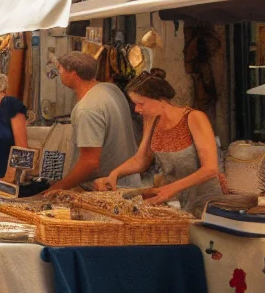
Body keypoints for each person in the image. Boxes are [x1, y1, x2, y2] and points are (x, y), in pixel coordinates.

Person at [94, 70, 223, 210]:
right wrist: (115, 174)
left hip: (210, 205)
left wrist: (168, 190)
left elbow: (210, 169)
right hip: (183, 203)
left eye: (141, 103)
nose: (137, 109)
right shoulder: (151, 121)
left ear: (160, 100)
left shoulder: (194, 118)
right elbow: (141, 160)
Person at [46, 51, 140, 193]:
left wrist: (59, 188)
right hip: (129, 182)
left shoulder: (87, 109)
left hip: (107, 190)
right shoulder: (110, 89)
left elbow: (89, 162)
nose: (59, 73)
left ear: (73, 73)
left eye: (60, 69)